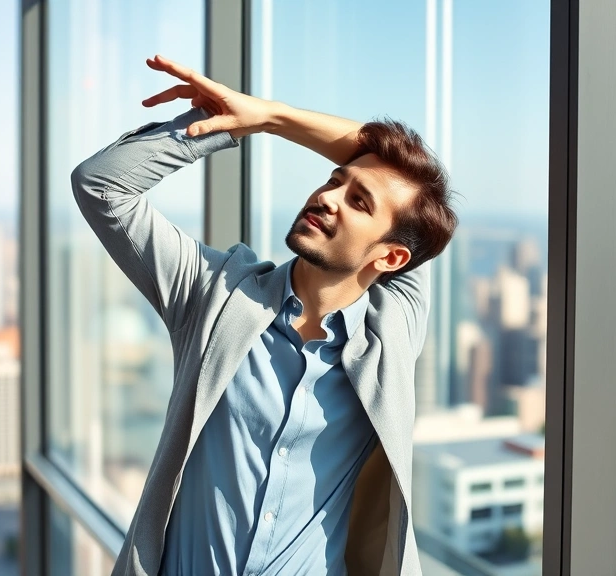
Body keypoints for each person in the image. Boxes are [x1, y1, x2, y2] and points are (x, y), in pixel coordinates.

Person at [72, 55, 457, 576]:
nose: (328, 197)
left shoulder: (393, 332)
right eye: (334, 180)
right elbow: (101, 185)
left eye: (359, 202)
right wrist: (252, 120)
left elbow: (418, 198)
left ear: (390, 258)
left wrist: (274, 118)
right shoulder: (215, 293)